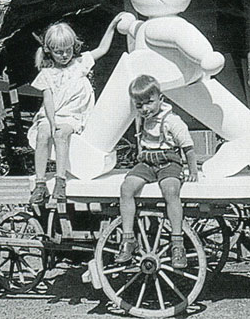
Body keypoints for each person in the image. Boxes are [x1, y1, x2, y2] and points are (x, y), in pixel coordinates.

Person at [28, 14, 124, 204]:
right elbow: (48, 100)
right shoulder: (46, 73)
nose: (64, 55)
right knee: (42, 134)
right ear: (49, 51)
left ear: (73, 47)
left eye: (67, 50)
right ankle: (40, 183)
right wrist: (52, 121)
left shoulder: (80, 63)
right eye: (59, 52)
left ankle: (60, 180)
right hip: (51, 114)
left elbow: (103, 49)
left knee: (61, 135)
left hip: (72, 116)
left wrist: (112, 25)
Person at [115, 75, 199, 269]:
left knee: (170, 190)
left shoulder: (172, 121)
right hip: (147, 163)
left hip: (169, 162)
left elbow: (187, 146)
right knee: (127, 188)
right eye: (139, 105)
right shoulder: (141, 119)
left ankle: (177, 242)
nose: (145, 109)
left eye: (149, 102)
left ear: (161, 99)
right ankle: (128, 239)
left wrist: (192, 170)